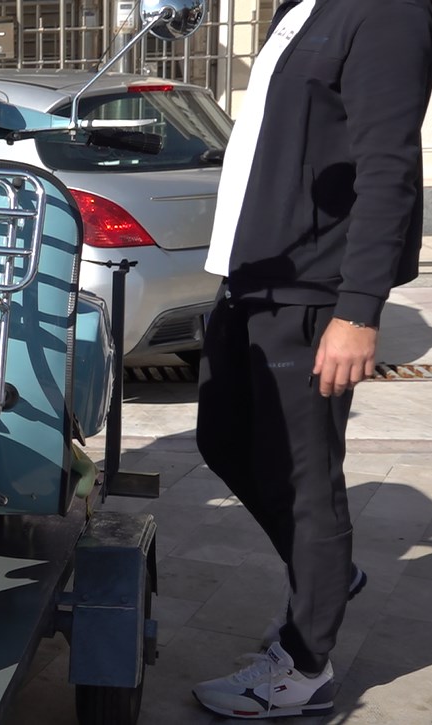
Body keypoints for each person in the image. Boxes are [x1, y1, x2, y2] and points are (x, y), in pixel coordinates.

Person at [192, 0, 432, 719]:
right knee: (221, 438)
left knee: (304, 479)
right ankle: (330, 573)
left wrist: (358, 309)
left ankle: (304, 665)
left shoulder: (385, 14)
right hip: (251, 276)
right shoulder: (298, 10)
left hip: (311, 292)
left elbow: (389, 167)